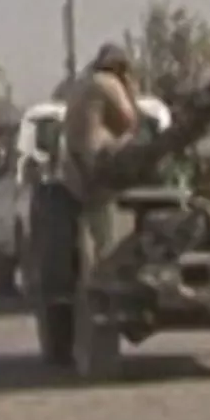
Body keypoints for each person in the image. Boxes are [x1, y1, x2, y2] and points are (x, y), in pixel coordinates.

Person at [59, 42, 143, 281]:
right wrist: (130, 89)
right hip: (99, 162)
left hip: (75, 164)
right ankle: (106, 280)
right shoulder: (107, 83)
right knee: (107, 236)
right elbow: (130, 119)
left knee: (90, 228)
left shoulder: (81, 85)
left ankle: (89, 281)